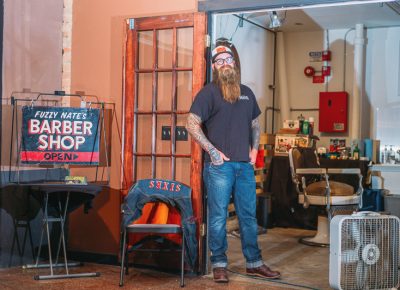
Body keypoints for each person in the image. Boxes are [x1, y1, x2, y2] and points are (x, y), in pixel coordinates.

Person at [186, 40, 281, 283]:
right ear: (214, 67)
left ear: (234, 64)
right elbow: (191, 123)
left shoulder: (247, 93)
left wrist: (254, 149)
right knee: (218, 218)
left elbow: (255, 123)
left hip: (244, 167)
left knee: (248, 217)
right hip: (219, 168)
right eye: (219, 61)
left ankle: (254, 263)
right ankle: (219, 264)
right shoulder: (208, 93)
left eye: (228, 60)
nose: (225, 64)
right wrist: (213, 152)